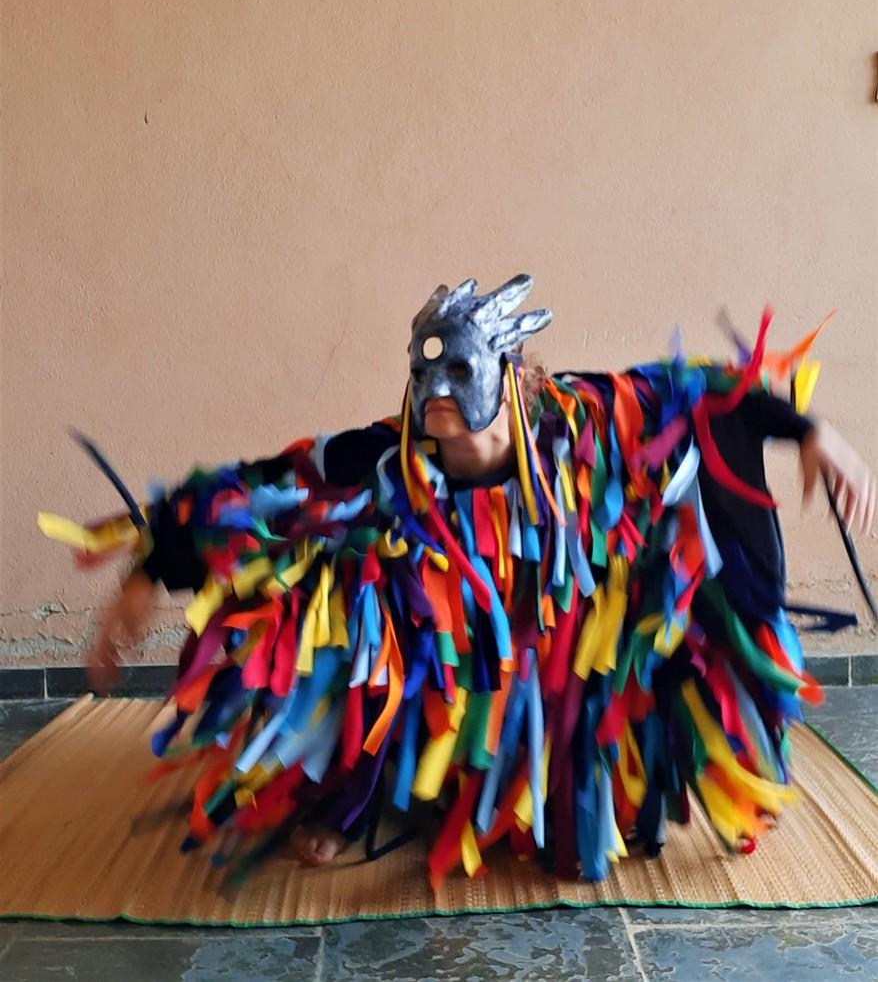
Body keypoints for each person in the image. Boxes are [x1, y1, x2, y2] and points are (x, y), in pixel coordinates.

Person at [42, 275, 875, 886]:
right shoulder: (390, 455)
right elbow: (262, 486)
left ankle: (542, 776)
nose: (435, 392)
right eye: (422, 373)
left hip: (559, 661)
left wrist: (812, 432)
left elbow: (702, 394)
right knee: (336, 589)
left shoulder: (581, 421)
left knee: (571, 848)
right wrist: (150, 571)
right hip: (444, 666)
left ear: (512, 377)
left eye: (460, 373)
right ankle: (352, 789)